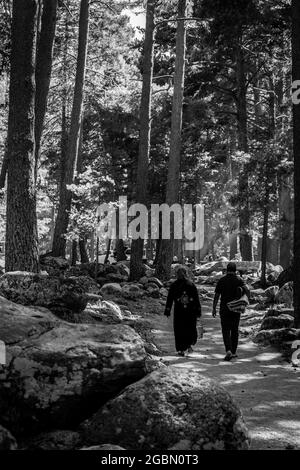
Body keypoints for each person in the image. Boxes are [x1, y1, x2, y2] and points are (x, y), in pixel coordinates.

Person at [212, 262, 249, 361]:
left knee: (225, 330)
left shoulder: (222, 280)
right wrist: (245, 301)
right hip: (236, 308)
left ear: (226, 270)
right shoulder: (239, 280)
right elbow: (247, 290)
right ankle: (234, 352)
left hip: (224, 308)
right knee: (234, 329)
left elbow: (216, 295)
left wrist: (214, 308)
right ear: (235, 270)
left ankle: (228, 350)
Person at [164, 265, 202, 356]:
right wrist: (198, 310)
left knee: (180, 329)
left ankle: (181, 349)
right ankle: (188, 345)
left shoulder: (175, 285)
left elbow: (170, 299)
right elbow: (196, 299)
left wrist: (168, 310)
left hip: (180, 311)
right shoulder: (191, 284)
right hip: (190, 311)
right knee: (189, 328)